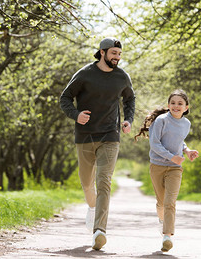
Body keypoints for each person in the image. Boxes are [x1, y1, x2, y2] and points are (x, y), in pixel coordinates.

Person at [60, 37, 135, 250]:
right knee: (86, 183)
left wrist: (128, 119)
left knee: (104, 182)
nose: (117, 58)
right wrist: (75, 115)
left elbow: (130, 99)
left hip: (110, 135)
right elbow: (65, 97)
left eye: (119, 54)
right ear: (102, 52)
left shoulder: (122, 77)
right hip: (85, 135)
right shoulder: (84, 74)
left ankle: (99, 230)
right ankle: (92, 209)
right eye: (114, 54)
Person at [135, 89, 199, 252]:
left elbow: (179, 141)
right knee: (161, 203)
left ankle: (167, 236)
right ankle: (161, 221)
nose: (176, 106)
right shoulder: (161, 120)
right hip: (157, 166)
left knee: (170, 202)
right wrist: (172, 156)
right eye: (173, 103)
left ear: (186, 107)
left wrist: (187, 151)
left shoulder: (186, 123)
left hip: (175, 168)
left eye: (180, 103)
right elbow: (155, 144)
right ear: (168, 105)